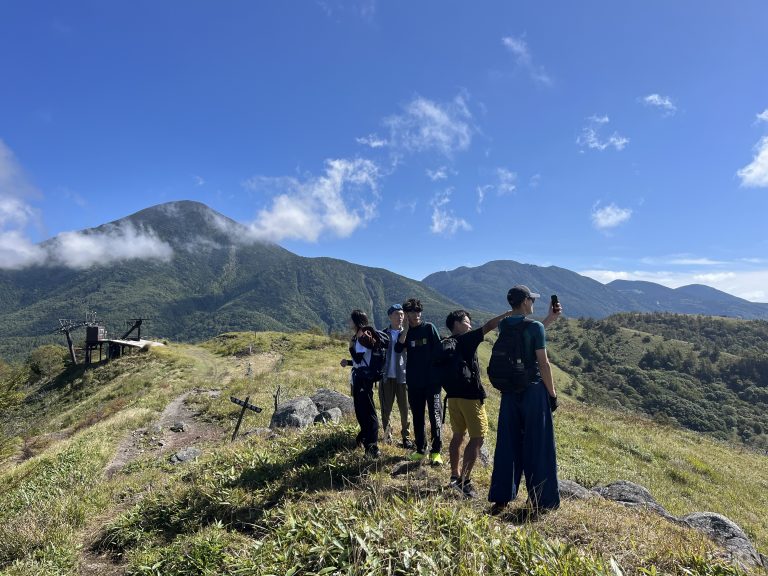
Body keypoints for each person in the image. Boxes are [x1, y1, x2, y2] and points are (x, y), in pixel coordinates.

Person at [488, 285, 562, 515]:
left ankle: (501, 498)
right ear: (524, 302)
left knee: (507, 444)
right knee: (538, 445)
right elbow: (543, 363)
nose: (533, 304)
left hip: (510, 393)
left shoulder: (504, 325)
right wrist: (552, 394)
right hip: (533, 392)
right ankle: (543, 500)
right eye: (531, 300)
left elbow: (523, 335)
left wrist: (548, 319)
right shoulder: (535, 327)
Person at [444, 308, 515, 498]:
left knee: (458, 435)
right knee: (478, 437)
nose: (470, 323)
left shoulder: (447, 342)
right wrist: (507, 314)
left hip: (452, 397)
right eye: (467, 320)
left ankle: (454, 475)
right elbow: (490, 326)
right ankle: (465, 481)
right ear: (457, 323)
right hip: (470, 397)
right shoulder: (466, 339)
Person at [395, 298, 443, 464]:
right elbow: (397, 348)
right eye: (412, 312)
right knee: (417, 417)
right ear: (407, 315)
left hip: (432, 382)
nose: (416, 315)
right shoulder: (407, 333)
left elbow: (439, 350)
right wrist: (406, 329)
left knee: (435, 415)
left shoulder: (429, 328)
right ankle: (421, 449)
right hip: (414, 382)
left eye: (418, 311)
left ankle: (436, 452)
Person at [340, 309, 387, 459]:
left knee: (367, 411)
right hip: (361, 377)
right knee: (362, 411)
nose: (349, 322)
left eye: (351, 320)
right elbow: (360, 360)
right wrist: (347, 362)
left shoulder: (361, 335)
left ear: (356, 321)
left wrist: (350, 346)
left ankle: (372, 447)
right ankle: (365, 439)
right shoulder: (361, 335)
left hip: (363, 379)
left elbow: (359, 359)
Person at [380, 304, 413, 449]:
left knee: (405, 408)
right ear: (390, 316)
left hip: (403, 377)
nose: (400, 317)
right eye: (396, 314)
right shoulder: (382, 334)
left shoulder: (408, 333)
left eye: (401, 314)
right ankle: (387, 435)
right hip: (386, 377)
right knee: (385, 408)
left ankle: (406, 437)